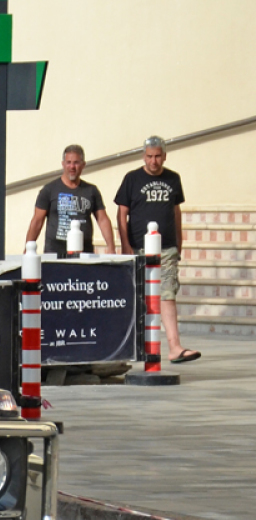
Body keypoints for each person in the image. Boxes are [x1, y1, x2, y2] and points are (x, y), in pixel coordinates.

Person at [115, 136, 199, 363]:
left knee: (167, 293)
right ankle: (129, 348)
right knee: (137, 297)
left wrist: (179, 240)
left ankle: (175, 347)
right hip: (139, 248)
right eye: (150, 156)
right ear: (144, 156)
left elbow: (176, 210)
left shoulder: (173, 178)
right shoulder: (132, 179)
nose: (154, 161)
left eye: (158, 156)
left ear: (164, 155)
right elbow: (122, 213)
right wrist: (125, 244)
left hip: (167, 248)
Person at [25, 144, 117, 255]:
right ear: (63, 164)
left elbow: (102, 220)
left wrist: (111, 248)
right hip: (55, 252)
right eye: (68, 162)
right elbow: (37, 221)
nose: (72, 167)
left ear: (83, 165)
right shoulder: (49, 189)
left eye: (76, 163)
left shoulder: (91, 190)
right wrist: (28, 249)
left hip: (84, 252)